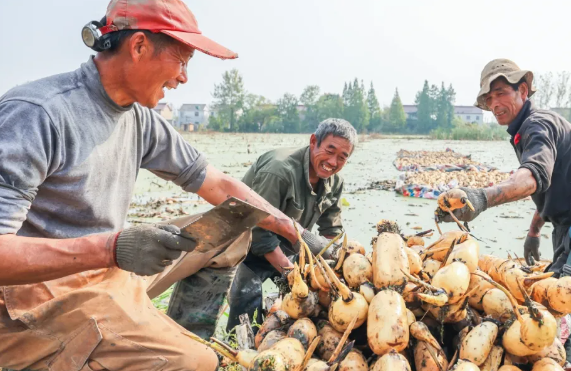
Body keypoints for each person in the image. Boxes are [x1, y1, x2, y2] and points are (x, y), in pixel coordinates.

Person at [0, 1, 329, 370]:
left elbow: (217, 183)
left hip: (109, 273)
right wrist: (111, 249)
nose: (184, 78)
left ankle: (161, 334)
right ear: (139, 46)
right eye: (182, 61)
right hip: (36, 301)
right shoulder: (38, 113)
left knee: (233, 229)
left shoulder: (139, 118)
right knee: (198, 364)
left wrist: (295, 231)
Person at [437, 59, 571, 366]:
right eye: (489, 98)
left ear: (523, 90)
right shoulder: (526, 129)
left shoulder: (537, 126)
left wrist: (480, 198)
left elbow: (531, 178)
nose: (495, 104)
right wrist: (535, 232)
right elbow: (546, 188)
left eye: (500, 93)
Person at [167, 118, 357, 338]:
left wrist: (337, 267)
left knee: (300, 305)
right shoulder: (279, 170)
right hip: (240, 244)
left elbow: (331, 230)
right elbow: (258, 230)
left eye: (342, 157)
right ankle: (232, 346)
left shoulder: (334, 181)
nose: (333, 162)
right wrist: (289, 272)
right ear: (314, 141)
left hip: (286, 245)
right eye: (329, 151)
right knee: (246, 298)